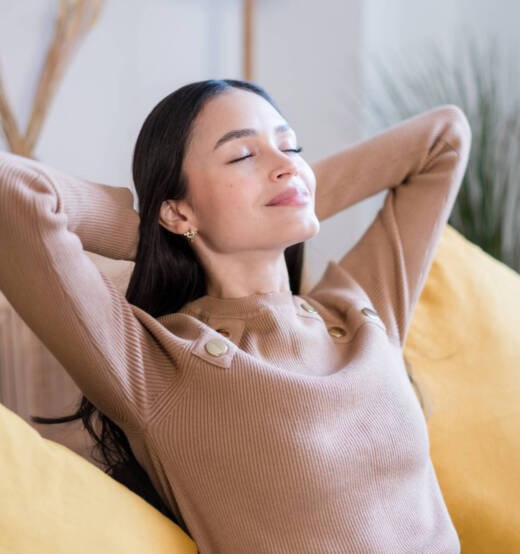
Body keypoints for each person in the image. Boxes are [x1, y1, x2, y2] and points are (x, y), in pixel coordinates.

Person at [0, 78, 471, 553]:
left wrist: (285, 194)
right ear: (177, 212)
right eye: (243, 156)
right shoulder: (160, 367)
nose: (287, 163)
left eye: (291, 146)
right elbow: (11, 192)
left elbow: (444, 138)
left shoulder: (359, 312)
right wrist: (153, 235)